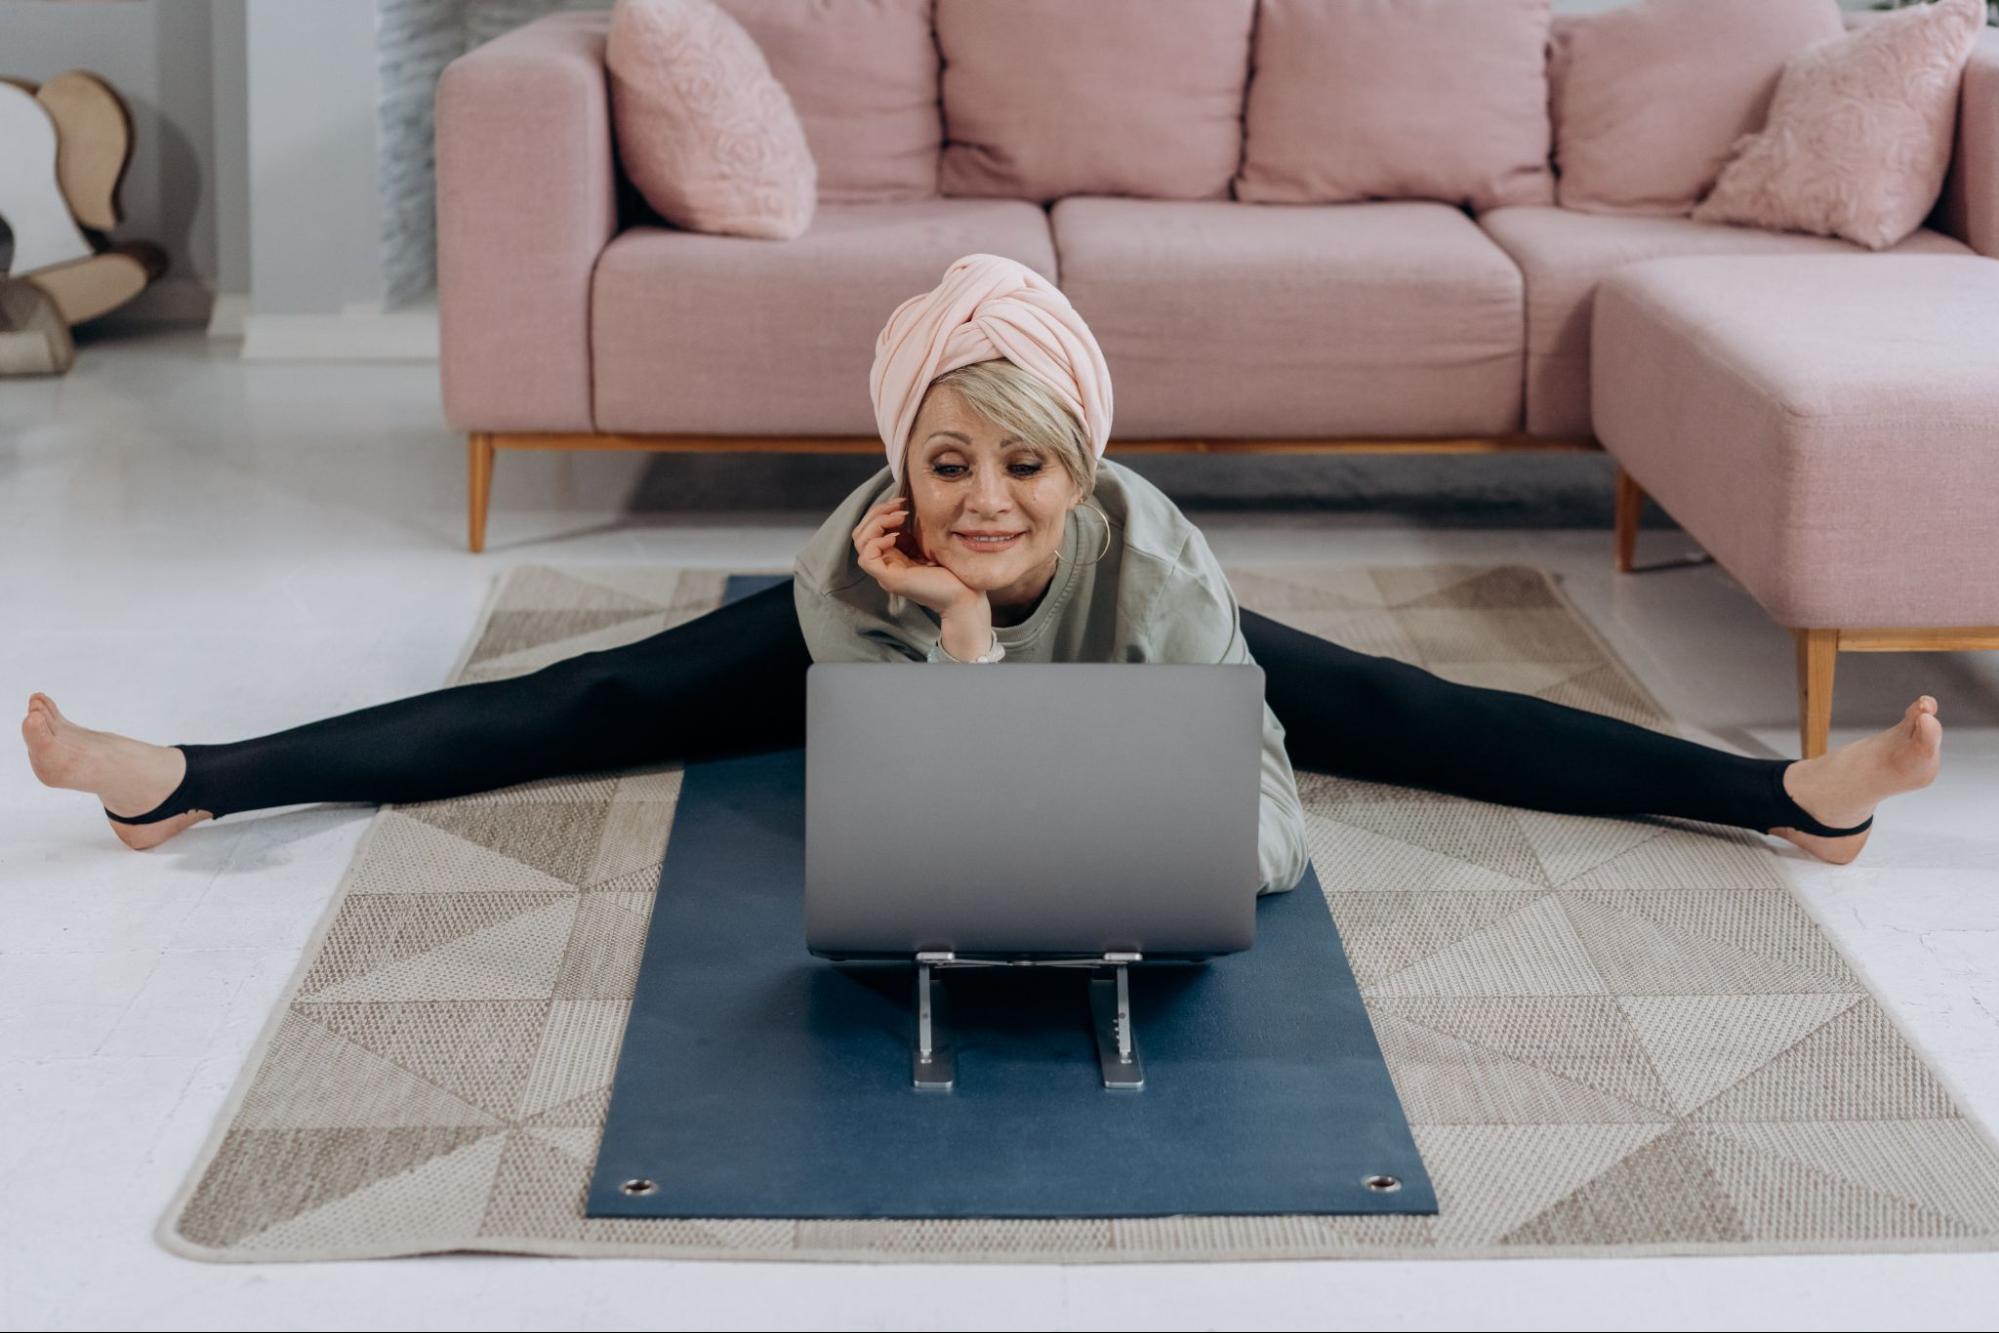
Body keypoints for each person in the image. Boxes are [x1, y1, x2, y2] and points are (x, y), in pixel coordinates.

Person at [23, 254, 1942, 890]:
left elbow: (1272, 843)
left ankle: (1787, 799)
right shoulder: (859, 569)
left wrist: (1073, 702)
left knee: (1415, 715)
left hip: (1131, 656)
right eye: (950, 463)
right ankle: (189, 780)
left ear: (1086, 471)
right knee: (579, 702)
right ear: (896, 466)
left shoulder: (1150, 559)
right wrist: (944, 631)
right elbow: (924, 822)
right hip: (873, 645)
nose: (990, 501)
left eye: (1028, 466)